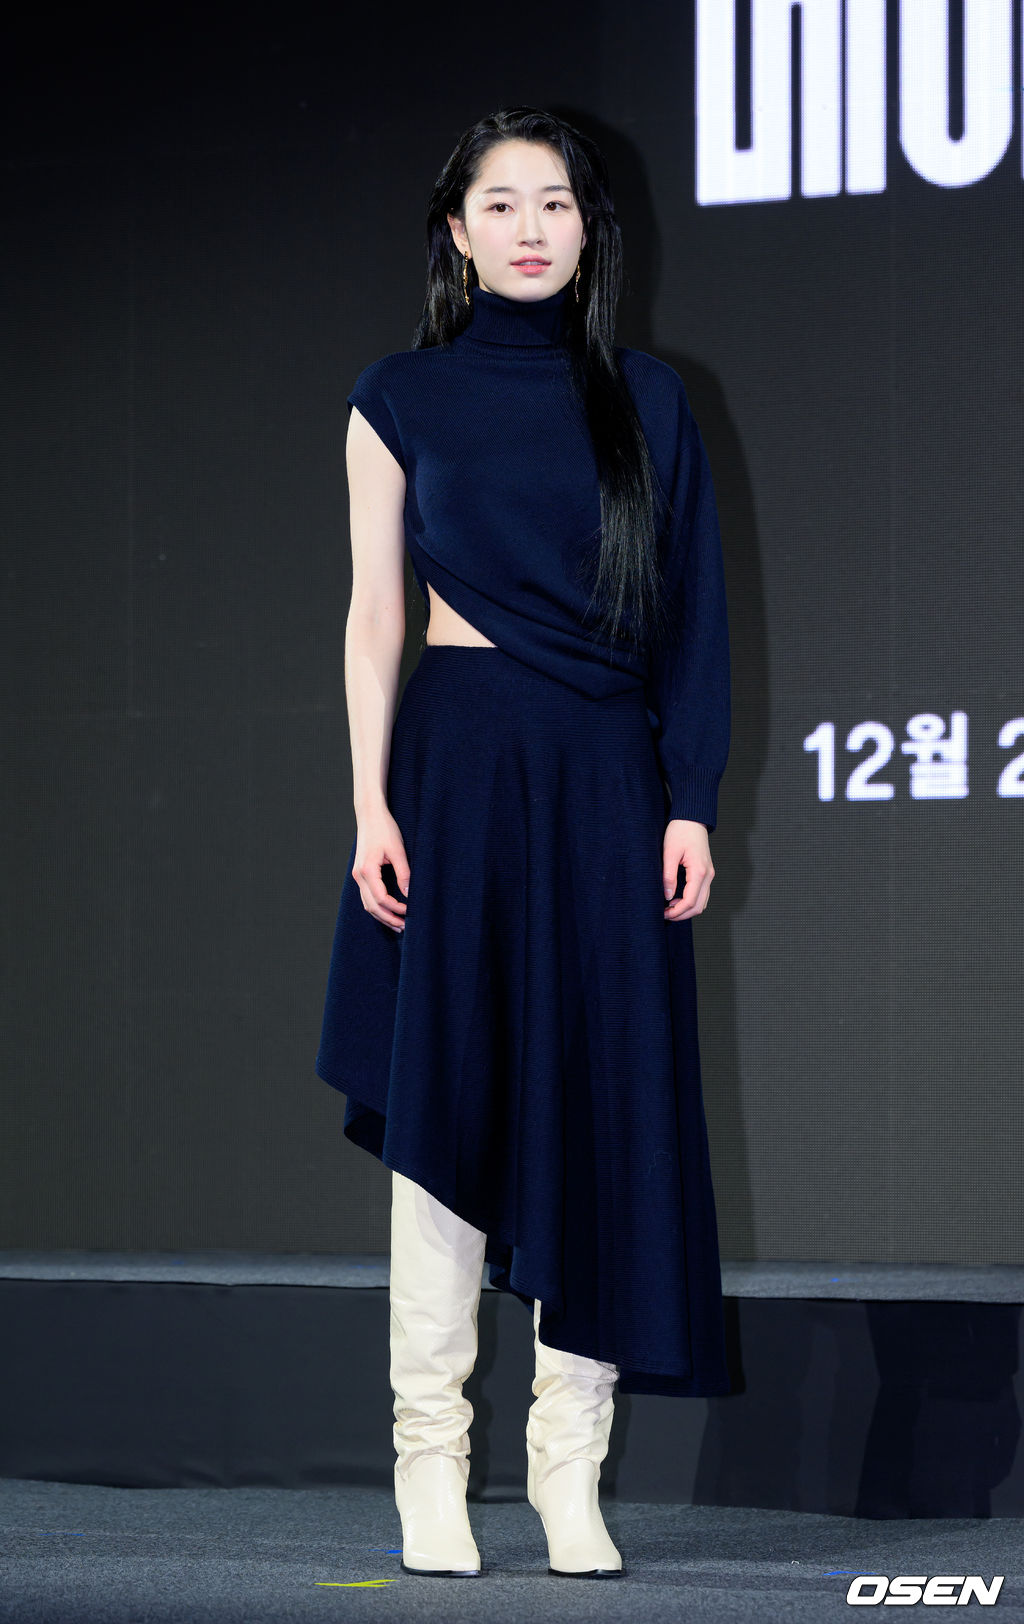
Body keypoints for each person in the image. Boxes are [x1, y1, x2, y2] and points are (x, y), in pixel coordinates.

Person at [316, 105, 732, 1580]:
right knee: (443, 1102)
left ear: (588, 228)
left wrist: (690, 796)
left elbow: (691, 620)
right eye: (500, 204)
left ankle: (571, 1471)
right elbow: (375, 614)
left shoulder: (650, 400)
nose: (531, 227)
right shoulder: (397, 395)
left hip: (606, 778)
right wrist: (369, 802)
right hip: (459, 764)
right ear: (457, 231)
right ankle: (429, 1463)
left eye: (555, 202)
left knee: (597, 1104)